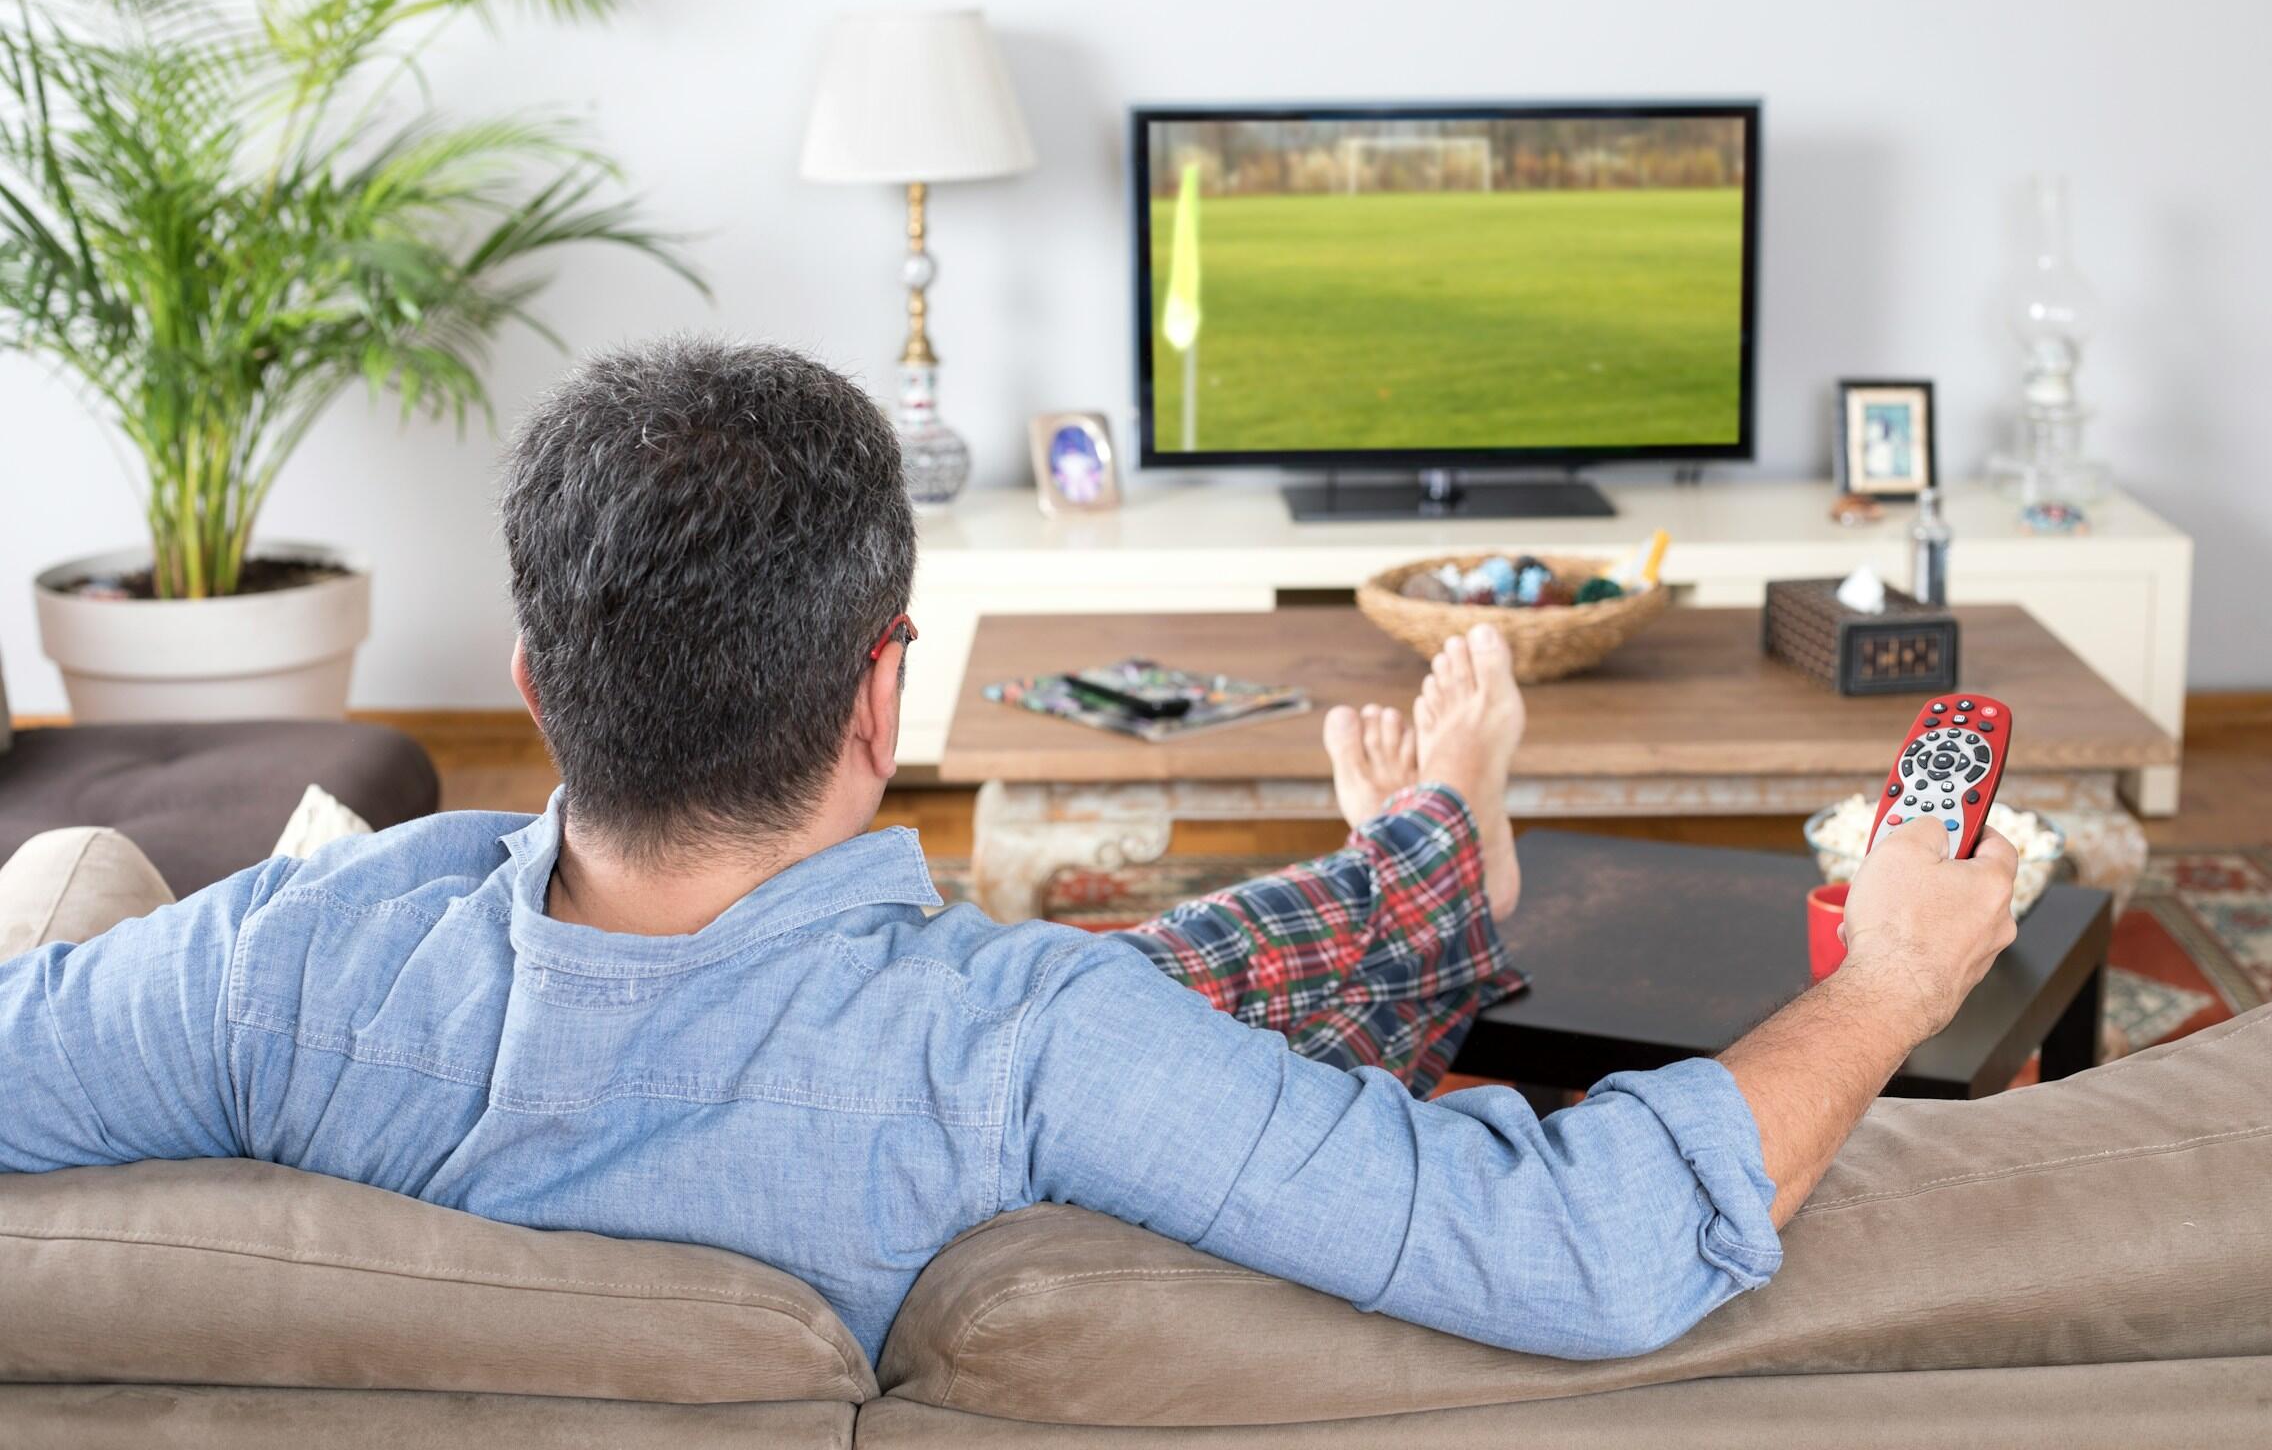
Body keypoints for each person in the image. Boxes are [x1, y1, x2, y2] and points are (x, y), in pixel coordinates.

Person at [0, 338, 2020, 1366]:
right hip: (975, 1065)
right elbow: (1577, 1244)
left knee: (1181, 963)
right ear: (883, 698)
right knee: (1154, 983)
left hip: (803, 1036)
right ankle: (1435, 866)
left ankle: (1424, 862)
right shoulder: (1021, 1034)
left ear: (536, 674)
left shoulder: (290, 956)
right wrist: (1896, 972)